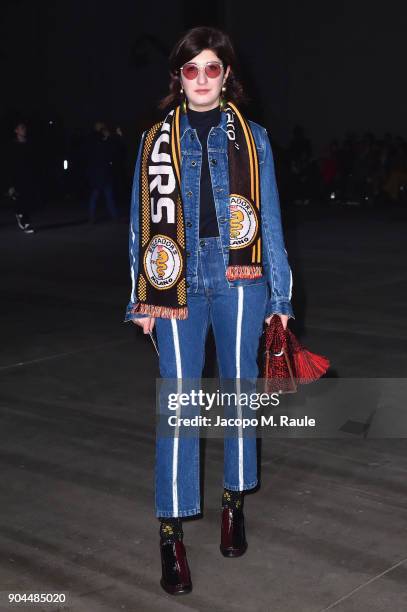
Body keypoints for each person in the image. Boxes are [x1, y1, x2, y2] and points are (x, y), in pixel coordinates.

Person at [124, 26, 294, 595]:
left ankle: (232, 502)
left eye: (212, 68)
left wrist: (281, 300)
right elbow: (136, 224)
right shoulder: (153, 140)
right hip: (173, 279)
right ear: (178, 77)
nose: (201, 79)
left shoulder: (255, 137)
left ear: (226, 75)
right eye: (190, 70)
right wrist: (140, 297)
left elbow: (269, 219)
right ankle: (170, 535)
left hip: (239, 275)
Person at [85, 121, 119, 223]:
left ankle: (112, 216)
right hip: (100, 172)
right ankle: (112, 216)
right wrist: (108, 138)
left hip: (100, 172)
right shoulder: (97, 140)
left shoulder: (96, 139)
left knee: (104, 195)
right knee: (102, 195)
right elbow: (107, 152)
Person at [7, 122, 37, 234]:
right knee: (20, 199)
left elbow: (34, 160)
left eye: (25, 128)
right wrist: (10, 183)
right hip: (17, 176)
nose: (24, 130)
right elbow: (9, 164)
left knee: (28, 199)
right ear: (16, 131)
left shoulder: (29, 144)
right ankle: (25, 222)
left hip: (28, 176)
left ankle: (24, 219)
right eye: (21, 128)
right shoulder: (12, 145)